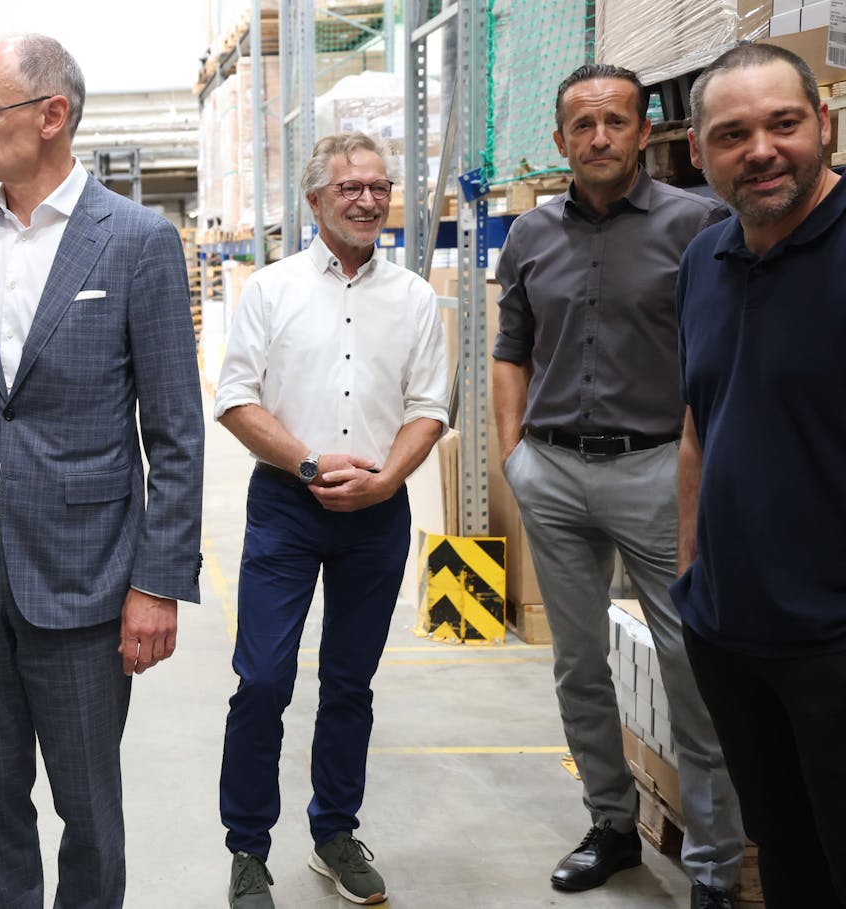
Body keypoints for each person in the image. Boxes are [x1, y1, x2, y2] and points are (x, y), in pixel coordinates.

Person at [0, 34, 204, 909]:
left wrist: (157, 582)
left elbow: (175, 431)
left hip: (85, 575)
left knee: (88, 811)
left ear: (52, 116)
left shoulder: (137, 241)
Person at [491, 63, 743, 906]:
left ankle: (712, 860)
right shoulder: (529, 235)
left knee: (690, 664)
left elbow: (722, 356)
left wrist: (695, 465)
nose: (599, 138)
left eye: (615, 122)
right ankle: (610, 822)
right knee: (577, 664)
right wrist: (513, 457)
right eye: (582, 126)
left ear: (645, 132)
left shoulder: (699, 223)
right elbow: (508, 352)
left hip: (657, 470)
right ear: (560, 140)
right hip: (554, 471)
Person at [214, 131, 448, 908]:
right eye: (350, 187)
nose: (368, 199)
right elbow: (236, 399)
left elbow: (429, 407)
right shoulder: (271, 290)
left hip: (378, 512)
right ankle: (248, 849)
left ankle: (334, 833)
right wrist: (309, 465)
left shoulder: (414, 297)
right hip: (288, 504)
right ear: (315, 200)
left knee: (351, 682)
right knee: (262, 680)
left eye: (379, 186)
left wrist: (386, 482)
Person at [677, 42, 846, 906]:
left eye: (783, 124)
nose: (762, 150)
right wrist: (690, 579)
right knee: (783, 853)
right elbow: (701, 425)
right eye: (732, 133)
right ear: (700, 152)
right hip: (731, 633)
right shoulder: (704, 261)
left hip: (833, 638)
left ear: (822, 123)